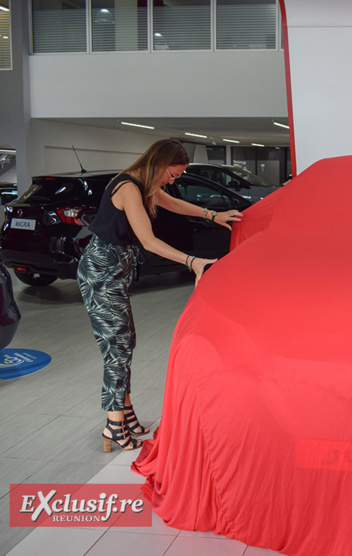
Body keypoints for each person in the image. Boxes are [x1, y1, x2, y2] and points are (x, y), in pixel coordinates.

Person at [77, 138, 243, 452]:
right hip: (100, 272)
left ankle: (125, 413)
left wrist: (213, 215)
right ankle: (113, 424)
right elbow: (149, 241)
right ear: (159, 163)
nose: (172, 181)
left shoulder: (144, 184)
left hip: (115, 271)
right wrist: (192, 262)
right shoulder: (128, 187)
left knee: (125, 342)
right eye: (172, 174)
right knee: (117, 349)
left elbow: (174, 204)